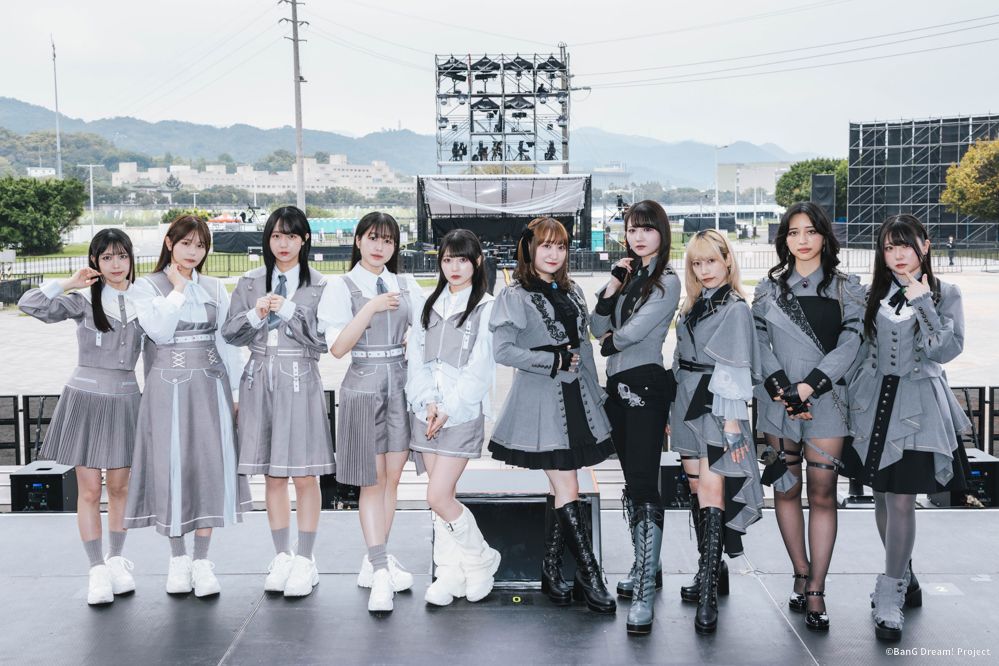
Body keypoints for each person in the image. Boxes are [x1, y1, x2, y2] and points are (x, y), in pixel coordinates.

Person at [846, 214, 970, 642]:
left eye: (905, 245)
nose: (898, 255)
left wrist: (923, 303)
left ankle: (889, 595)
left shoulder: (945, 293)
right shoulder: (871, 295)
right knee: (883, 495)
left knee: (902, 499)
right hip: (874, 404)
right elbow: (860, 351)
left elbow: (945, 350)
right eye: (889, 247)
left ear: (925, 246)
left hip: (918, 407)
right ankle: (904, 574)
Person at [488, 217, 617, 615]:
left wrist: (596, 391)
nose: (554, 253)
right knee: (568, 484)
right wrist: (552, 360)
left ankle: (551, 569)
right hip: (542, 402)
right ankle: (590, 575)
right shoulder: (514, 295)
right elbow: (503, 351)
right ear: (529, 249)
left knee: (562, 486)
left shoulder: (572, 290)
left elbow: (585, 346)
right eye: (545, 245)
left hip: (577, 398)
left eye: (560, 246)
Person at [124, 215, 251, 597]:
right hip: (167, 389)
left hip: (210, 387)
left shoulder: (214, 287)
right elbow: (159, 331)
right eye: (186, 244)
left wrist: (235, 393)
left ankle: (202, 560)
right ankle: (178, 558)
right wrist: (178, 289)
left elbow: (228, 342)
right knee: (173, 468)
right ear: (169, 243)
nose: (193, 252)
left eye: (200, 245)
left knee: (208, 467)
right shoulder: (146, 286)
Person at [753, 202, 865, 631]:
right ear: (784, 239)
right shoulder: (768, 291)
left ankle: (817, 588)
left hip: (827, 402)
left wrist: (808, 386)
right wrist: (784, 388)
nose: (802, 240)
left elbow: (851, 345)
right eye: (794, 232)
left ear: (824, 237)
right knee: (785, 490)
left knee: (822, 494)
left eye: (811, 231)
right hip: (778, 402)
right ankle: (800, 572)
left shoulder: (847, 289)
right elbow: (757, 343)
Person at [18, 230, 143, 605]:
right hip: (85, 399)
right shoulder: (83, 300)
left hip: (125, 399)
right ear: (95, 262)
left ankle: (116, 559)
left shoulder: (145, 299)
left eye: (122, 256)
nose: (116, 264)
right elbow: (30, 304)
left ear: (131, 259)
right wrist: (69, 282)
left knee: (120, 489)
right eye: (107, 258)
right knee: (89, 491)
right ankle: (96, 568)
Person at [222, 206, 335, 598]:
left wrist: (289, 310)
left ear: (305, 240)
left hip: (299, 377)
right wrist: (255, 315)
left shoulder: (321, 285)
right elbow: (230, 334)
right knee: (273, 475)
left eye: (291, 236)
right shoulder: (250, 281)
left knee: (304, 475)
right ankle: (282, 555)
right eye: (276, 236)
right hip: (259, 377)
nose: (283, 244)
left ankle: (305, 558)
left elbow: (323, 341)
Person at [326, 211, 426, 613]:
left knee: (392, 479)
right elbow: (338, 347)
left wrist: (413, 342)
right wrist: (370, 308)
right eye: (372, 238)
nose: (379, 246)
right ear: (358, 240)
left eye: (387, 240)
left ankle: (375, 561)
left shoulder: (406, 284)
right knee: (371, 481)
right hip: (363, 386)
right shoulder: (342, 286)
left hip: (400, 385)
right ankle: (381, 569)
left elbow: (427, 327)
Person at [590, 200, 681, 635]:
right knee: (632, 481)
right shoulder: (630, 275)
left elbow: (632, 333)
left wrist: (611, 341)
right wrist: (612, 284)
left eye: (647, 228)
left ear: (662, 232)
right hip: (617, 387)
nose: (638, 237)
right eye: (631, 229)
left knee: (644, 483)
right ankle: (649, 566)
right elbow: (596, 327)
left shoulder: (668, 279)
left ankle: (644, 587)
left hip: (646, 385)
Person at [671, 229, 763, 634]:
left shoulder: (735, 307)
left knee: (712, 490)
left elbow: (735, 369)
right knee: (696, 489)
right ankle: (709, 570)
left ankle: (708, 591)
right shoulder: (693, 305)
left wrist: (732, 425)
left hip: (718, 407)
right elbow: (680, 357)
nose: (704, 269)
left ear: (727, 260)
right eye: (697, 262)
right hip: (685, 401)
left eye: (711, 260)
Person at [406, 229, 499, 607]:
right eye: (447, 260)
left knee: (438, 495)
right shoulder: (428, 304)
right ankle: (450, 571)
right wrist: (428, 401)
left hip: (460, 414)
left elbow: (481, 368)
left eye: (462, 259)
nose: (454, 267)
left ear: (477, 262)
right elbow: (417, 359)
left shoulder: (488, 307)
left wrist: (449, 408)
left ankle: (480, 559)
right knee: (441, 499)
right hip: (426, 413)